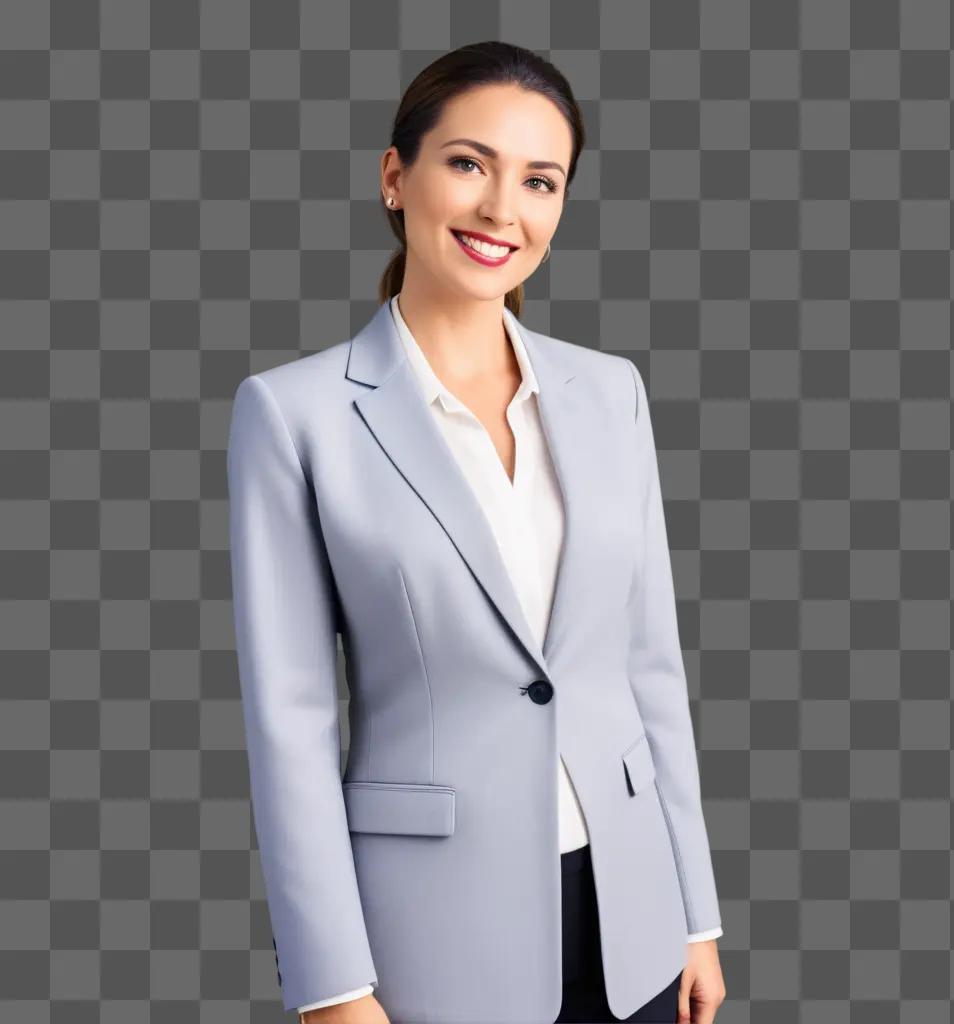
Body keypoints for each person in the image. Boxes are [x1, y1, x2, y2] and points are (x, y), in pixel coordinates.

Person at [227, 40, 726, 1024]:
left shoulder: (608, 392)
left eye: (539, 180)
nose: (503, 209)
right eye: (468, 163)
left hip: (633, 916)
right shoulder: (295, 415)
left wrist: (695, 913)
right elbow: (288, 724)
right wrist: (333, 987)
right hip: (432, 938)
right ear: (394, 176)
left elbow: (648, 669)